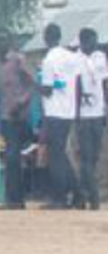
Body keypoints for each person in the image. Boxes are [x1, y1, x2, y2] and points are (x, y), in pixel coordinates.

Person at [39, 24, 84, 209]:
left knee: (56, 157)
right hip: (68, 111)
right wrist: (77, 110)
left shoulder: (49, 60)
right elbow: (74, 83)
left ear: (46, 38)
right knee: (60, 154)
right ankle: (78, 195)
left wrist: (35, 85)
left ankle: (59, 198)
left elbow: (48, 89)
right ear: (59, 36)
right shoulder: (71, 56)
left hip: (54, 112)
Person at [0, 48, 38, 209]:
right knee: (11, 158)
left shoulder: (18, 63)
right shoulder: (3, 67)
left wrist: (22, 101)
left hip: (17, 117)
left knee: (13, 157)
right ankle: (13, 199)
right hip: (7, 117)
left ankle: (15, 200)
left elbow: (33, 84)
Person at [76, 28, 107, 210]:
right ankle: (94, 197)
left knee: (93, 157)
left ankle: (81, 195)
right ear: (83, 42)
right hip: (84, 115)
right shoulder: (76, 59)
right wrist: (76, 114)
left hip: (98, 113)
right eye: (92, 42)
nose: (95, 44)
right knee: (86, 157)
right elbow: (75, 86)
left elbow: (104, 83)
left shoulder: (100, 57)